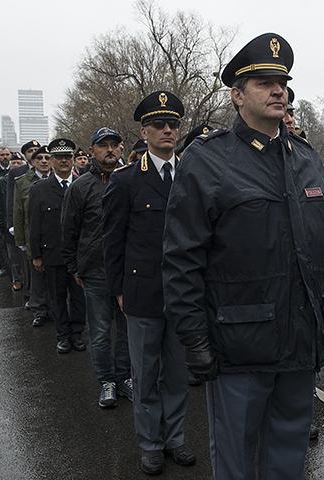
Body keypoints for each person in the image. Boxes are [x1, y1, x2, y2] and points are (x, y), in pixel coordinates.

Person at [162, 33, 324, 480]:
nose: (278, 89)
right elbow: (182, 259)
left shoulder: (306, 158)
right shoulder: (207, 161)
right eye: (264, 82)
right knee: (236, 459)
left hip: (301, 342)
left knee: (288, 456)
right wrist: (194, 339)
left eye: (282, 81)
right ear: (237, 94)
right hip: (238, 346)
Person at [102, 91, 196, 476]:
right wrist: (118, 291)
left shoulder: (191, 174)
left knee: (175, 374)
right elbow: (112, 240)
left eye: (173, 123)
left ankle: (174, 438)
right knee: (144, 375)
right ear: (145, 130)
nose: (168, 130)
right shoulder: (126, 180)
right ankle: (151, 443)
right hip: (141, 293)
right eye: (159, 124)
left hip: (184, 293)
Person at [61, 127, 132, 409]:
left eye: (115, 145)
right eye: (103, 146)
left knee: (127, 329)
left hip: (128, 271)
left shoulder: (131, 179)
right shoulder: (81, 186)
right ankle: (107, 381)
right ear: (92, 151)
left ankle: (125, 376)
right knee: (100, 331)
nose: (110, 150)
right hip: (94, 272)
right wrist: (74, 266)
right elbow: (68, 230)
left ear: (122, 148)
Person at [28, 138, 86, 354]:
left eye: (67, 157)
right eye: (59, 157)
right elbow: (34, 224)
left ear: (73, 160)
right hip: (52, 253)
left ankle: (77, 333)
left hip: (80, 254)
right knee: (57, 298)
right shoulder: (40, 189)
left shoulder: (83, 184)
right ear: (51, 161)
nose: (63, 160)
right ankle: (62, 336)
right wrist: (36, 255)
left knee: (79, 298)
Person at [13, 144, 52, 327]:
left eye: (47, 158)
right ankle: (39, 310)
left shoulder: (58, 179)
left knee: (54, 276)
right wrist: (20, 241)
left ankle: (53, 309)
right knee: (36, 276)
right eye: (40, 159)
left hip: (53, 237)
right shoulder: (22, 182)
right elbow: (18, 213)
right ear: (32, 162)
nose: (44, 161)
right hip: (32, 237)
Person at [7, 140, 42, 306]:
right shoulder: (18, 175)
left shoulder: (52, 174)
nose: (42, 160)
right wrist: (14, 230)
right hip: (28, 231)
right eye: (31, 151)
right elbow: (14, 205)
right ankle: (31, 300)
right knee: (29, 270)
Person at [0, 153, 25, 290]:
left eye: (19, 163)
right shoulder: (2, 182)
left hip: (23, 223)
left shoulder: (25, 180)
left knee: (24, 256)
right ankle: (16, 279)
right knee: (13, 256)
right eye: (14, 163)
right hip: (9, 224)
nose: (16, 166)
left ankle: (25, 279)